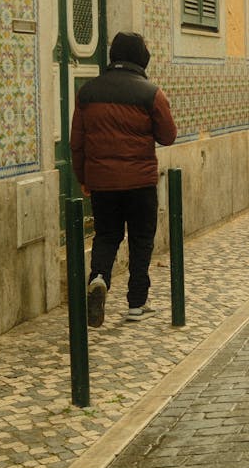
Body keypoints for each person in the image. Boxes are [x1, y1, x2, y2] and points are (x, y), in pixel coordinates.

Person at [72, 32, 177, 327]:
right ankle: (136, 303)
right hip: (140, 181)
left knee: (107, 235)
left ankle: (99, 277)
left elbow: (76, 143)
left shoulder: (87, 93)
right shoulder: (151, 93)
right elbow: (168, 136)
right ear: (140, 58)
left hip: (102, 182)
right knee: (141, 240)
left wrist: (84, 177)